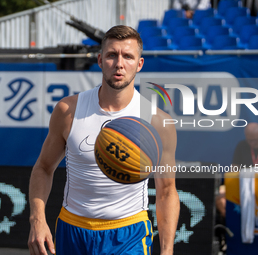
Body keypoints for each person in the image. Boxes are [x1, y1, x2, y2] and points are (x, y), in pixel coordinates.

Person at [28, 25, 180, 255]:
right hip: (73, 229)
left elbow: (167, 191)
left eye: (128, 56)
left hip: (128, 233)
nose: (119, 63)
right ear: (100, 60)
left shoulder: (157, 122)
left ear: (139, 64)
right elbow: (43, 168)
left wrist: (167, 251)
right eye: (112, 55)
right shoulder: (69, 110)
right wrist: (37, 220)